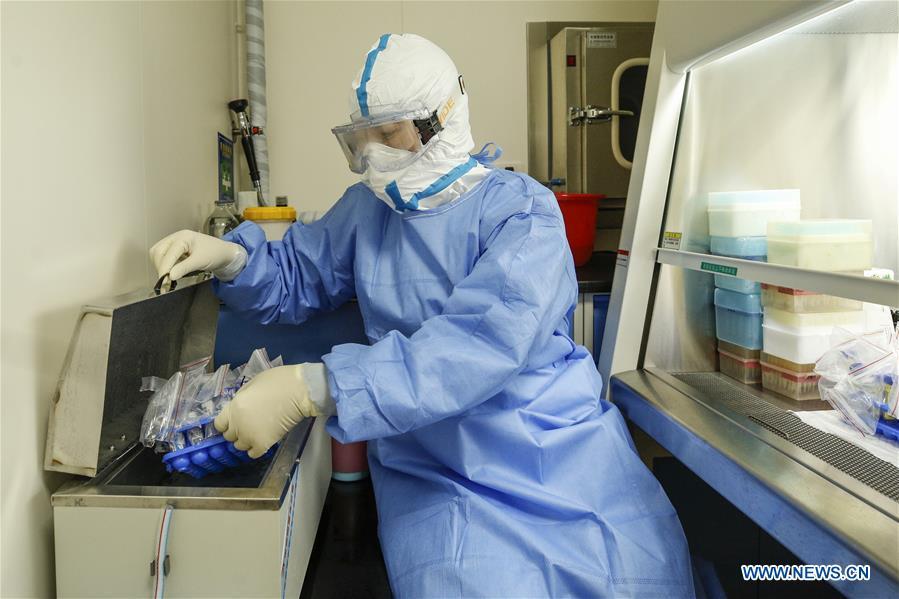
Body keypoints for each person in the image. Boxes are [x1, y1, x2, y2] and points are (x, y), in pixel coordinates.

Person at [151, 33, 694, 598]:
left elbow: (477, 345)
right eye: (362, 139)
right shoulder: (369, 209)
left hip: (553, 445)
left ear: (443, 119)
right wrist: (233, 259)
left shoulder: (522, 211)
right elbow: (297, 278)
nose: (372, 156)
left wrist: (316, 386)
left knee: (641, 578)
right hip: (435, 469)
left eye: (389, 135)